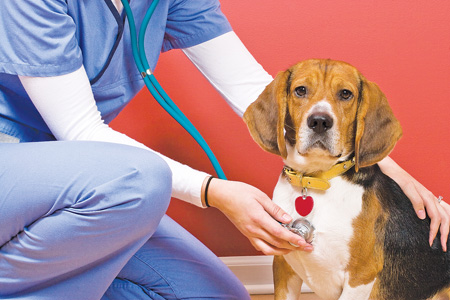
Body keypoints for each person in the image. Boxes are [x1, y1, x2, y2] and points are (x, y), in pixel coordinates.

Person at [0, 1, 448, 299]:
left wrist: (383, 165)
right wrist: (215, 192)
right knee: (141, 180)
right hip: (17, 165)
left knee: (221, 296)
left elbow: (258, 91)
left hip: (82, 184)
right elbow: (80, 129)